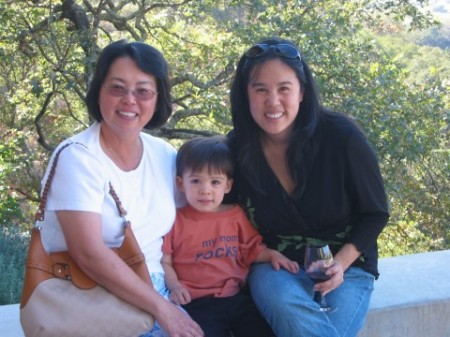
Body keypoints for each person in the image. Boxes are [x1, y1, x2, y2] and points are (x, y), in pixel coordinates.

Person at [37, 39, 203, 337]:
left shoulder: (164, 154)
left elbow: (197, 216)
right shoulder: (78, 157)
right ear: (99, 91)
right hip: (91, 291)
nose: (130, 100)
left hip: (161, 286)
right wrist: (163, 310)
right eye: (117, 88)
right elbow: (88, 253)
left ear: (157, 98)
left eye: (143, 91)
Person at [226, 37, 390, 337]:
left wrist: (340, 265)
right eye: (260, 89)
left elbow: (376, 213)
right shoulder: (235, 150)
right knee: (292, 312)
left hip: (346, 267)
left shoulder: (341, 137)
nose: (272, 101)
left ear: (302, 91)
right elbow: (223, 220)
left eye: (284, 89)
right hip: (275, 268)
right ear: (245, 95)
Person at [161, 136, 299, 337]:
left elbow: (251, 249)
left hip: (236, 297)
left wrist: (273, 256)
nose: (205, 190)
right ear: (181, 183)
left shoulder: (235, 215)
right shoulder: (175, 219)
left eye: (215, 182)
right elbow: (165, 262)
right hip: (196, 302)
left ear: (227, 185)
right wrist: (174, 286)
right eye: (196, 180)